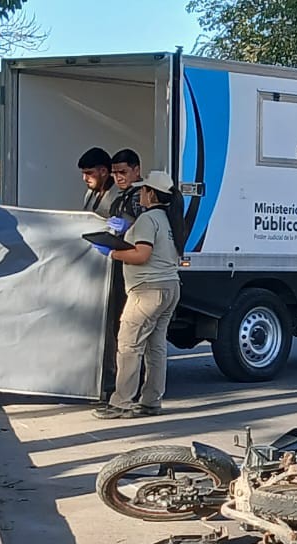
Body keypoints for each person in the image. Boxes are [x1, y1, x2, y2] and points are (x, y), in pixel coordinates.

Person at [92, 170, 181, 419]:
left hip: (147, 290)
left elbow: (142, 255)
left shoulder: (147, 219)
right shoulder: (168, 218)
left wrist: (111, 252)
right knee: (156, 347)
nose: (140, 193)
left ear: (150, 193)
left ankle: (121, 402)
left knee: (129, 345)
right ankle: (151, 401)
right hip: (170, 287)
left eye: (143, 189)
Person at [107, 148, 145, 232]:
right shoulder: (120, 197)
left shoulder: (145, 195)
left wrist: (129, 226)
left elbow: (149, 228)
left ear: (137, 171)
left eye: (123, 172)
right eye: (115, 173)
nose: (118, 178)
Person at [78, 147, 119, 218]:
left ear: (103, 171)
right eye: (83, 173)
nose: (84, 178)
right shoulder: (89, 193)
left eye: (89, 173)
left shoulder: (118, 195)